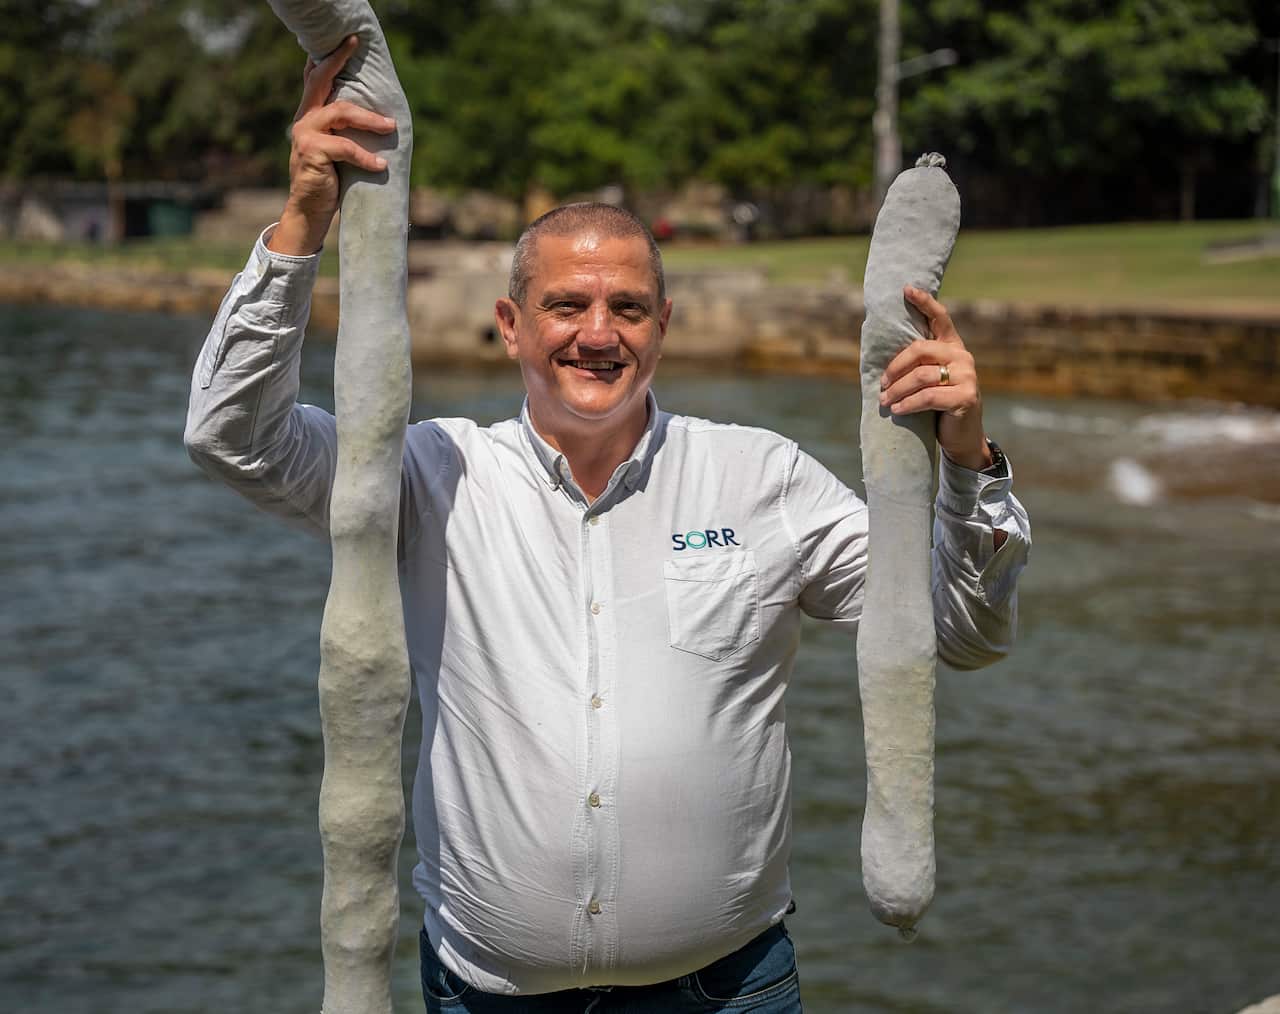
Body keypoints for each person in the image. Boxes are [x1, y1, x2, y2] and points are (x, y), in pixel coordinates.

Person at [184, 38, 1030, 1014]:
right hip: (487, 997)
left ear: (662, 325)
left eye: (627, 307)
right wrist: (301, 222)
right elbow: (231, 437)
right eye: (565, 305)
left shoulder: (761, 477)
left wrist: (967, 464)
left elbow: (958, 633)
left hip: (729, 993)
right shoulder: (426, 473)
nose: (597, 333)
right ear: (509, 325)